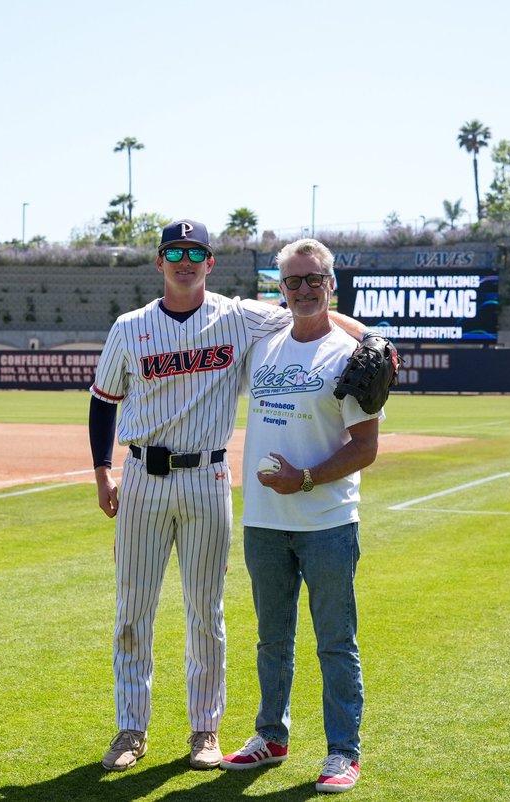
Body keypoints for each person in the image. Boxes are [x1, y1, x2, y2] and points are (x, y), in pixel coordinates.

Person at [90, 221, 367, 773]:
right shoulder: (130, 327)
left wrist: (372, 339)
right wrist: (102, 471)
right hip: (143, 472)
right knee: (133, 609)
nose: (185, 261)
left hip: (208, 477)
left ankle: (204, 730)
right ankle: (130, 728)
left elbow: (309, 312)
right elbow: (103, 401)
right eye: (175, 252)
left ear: (210, 262)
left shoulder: (238, 316)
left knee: (206, 613)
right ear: (161, 261)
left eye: (196, 252)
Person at [219, 238, 380, 794]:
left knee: (335, 639)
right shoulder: (263, 347)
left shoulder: (353, 356)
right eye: (294, 281)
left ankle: (342, 752)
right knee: (272, 637)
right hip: (263, 519)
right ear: (280, 289)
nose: (305, 289)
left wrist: (305, 479)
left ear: (331, 285)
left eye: (315, 279)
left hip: (327, 522)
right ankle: (272, 736)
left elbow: (365, 448)